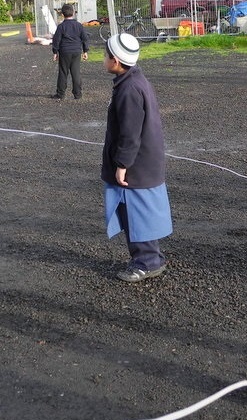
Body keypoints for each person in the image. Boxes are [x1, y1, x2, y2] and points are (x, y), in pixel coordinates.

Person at [102, 33, 172, 283]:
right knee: (139, 211)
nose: (104, 59)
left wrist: (122, 165)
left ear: (117, 61)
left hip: (137, 163)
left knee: (136, 213)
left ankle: (147, 261)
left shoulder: (129, 89)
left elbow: (130, 133)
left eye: (106, 55)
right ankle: (149, 257)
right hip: (145, 159)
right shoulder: (134, 80)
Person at [50, 3, 88, 100]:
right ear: (74, 13)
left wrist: (55, 52)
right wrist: (85, 51)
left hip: (65, 51)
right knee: (76, 73)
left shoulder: (61, 27)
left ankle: (60, 94)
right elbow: (84, 38)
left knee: (63, 72)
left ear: (62, 14)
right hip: (76, 51)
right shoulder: (79, 26)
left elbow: (56, 40)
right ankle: (77, 94)